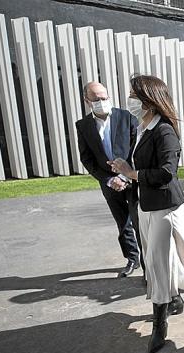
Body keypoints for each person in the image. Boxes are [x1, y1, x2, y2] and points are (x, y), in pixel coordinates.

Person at [108, 75, 184, 353]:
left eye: (133, 95)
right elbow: (142, 169)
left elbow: (167, 172)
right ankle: (174, 299)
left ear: (148, 99)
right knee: (158, 258)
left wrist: (132, 173)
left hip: (164, 206)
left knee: (157, 263)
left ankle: (160, 323)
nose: (130, 101)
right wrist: (127, 178)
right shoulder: (143, 127)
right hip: (146, 204)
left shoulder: (164, 131)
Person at [76, 81, 141, 278]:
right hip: (108, 183)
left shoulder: (126, 117)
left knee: (139, 220)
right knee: (122, 222)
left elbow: (135, 148)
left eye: (105, 98)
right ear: (88, 101)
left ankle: (149, 260)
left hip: (131, 178)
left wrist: (124, 176)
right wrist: (108, 180)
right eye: (97, 99)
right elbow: (86, 158)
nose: (102, 102)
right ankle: (132, 258)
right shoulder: (83, 126)